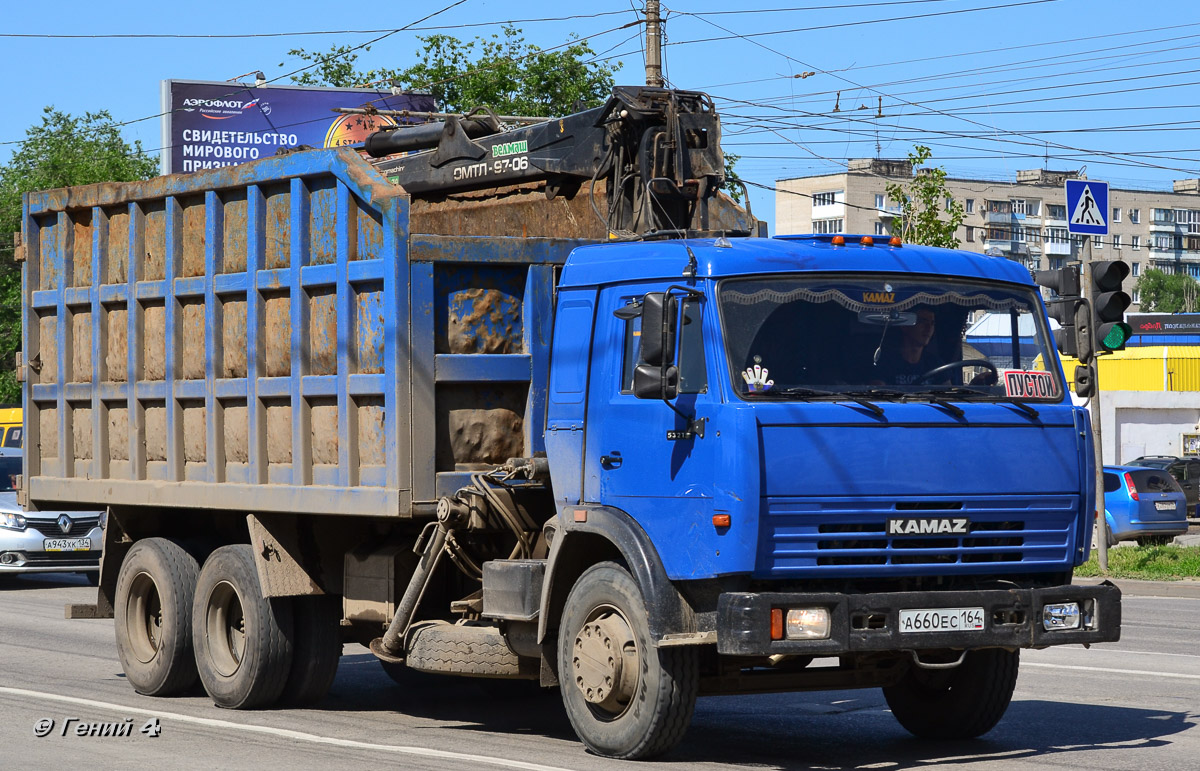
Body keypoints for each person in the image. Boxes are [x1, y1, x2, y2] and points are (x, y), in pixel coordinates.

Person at [872, 306, 946, 386]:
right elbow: (877, 393)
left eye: (932, 324)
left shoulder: (935, 364)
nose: (929, 328)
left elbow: (948, 393)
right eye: (922, 322)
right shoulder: (885, 364)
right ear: (904, 326)